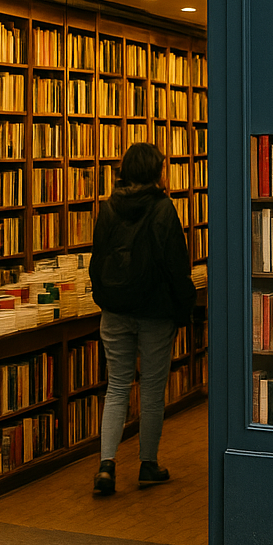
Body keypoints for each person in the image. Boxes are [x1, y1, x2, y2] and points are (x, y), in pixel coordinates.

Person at [88, 141, 197, 496]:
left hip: (115, 310)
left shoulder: (109, 208)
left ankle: (106, 466)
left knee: (117, 387)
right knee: (151, 388)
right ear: (154, 171)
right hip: (155, 310)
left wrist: (103, 297)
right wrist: (185, 308)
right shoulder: (163, 208)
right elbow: (176, 264)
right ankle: (148, 463)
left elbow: (97, 258)